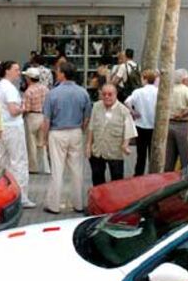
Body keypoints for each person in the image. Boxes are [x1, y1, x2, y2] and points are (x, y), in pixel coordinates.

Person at [42, 62, 92, 214]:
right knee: (77, 170)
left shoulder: (53, 93)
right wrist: (81, 130)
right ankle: (78, 203)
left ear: (63, 74)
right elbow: (87, 117)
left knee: (57, 170)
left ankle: (54, 204)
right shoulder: (83, 92)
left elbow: (46, 120)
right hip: (76, 131)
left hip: (57, 132)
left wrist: (44, 138)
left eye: (58, 71)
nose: (56, 73)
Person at [0, 61, 36, 208]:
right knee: (19, 161)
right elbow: (13, 110)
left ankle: (5, 193)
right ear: (7, 71)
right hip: (13, 127)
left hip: (2, 126)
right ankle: (22, 196)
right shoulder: (10, 89)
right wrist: (23, 107)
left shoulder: (0, 85)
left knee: (4, 161)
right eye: (16, 69)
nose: (19, 72)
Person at [86, 83, 136, 186]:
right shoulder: (96, 106)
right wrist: (88, 145)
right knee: (97, 178)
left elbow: (129, 130)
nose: (107, 97)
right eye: (104, 94)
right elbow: (91, 127)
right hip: (97, 150)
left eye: (110, 94)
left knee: (116, 181)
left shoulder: (124, 111)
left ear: (116, 94)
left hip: (115, 151)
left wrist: (125, 145)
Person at [125, 69, 158, 176]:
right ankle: (153, 174)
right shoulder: (158, 92)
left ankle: (138, 174)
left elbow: (127, 102)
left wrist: (133, 112)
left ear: (145, 79)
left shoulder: (138, 92)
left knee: (141, 154)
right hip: (154, 126)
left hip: (140, 125)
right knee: (152, 154)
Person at [22, 67, 50, 173]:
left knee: (31, 143)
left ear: (29, 78)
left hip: (32, 117)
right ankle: (46, 167)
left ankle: (33, 168)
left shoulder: (29, 91)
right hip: (43, 116)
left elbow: (27, 108)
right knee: (43, 143)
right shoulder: (45, 89)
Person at [165, 68, 188, 171]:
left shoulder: (168, 91)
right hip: (184, 125)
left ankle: (167, 179)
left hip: (169, 124)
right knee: (185, 155)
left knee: (169, 157)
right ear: (184, 79)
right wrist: (182, 115)